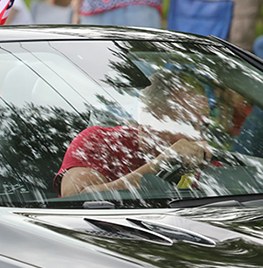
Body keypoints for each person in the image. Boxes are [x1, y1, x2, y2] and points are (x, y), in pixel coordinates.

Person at [55, 70, 213, 197]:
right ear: (149, 119)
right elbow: (74, 199)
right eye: (187, 125)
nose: (200, 138)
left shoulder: (202, 159)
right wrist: (159, 164)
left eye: (204, 127)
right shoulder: (98, 141)